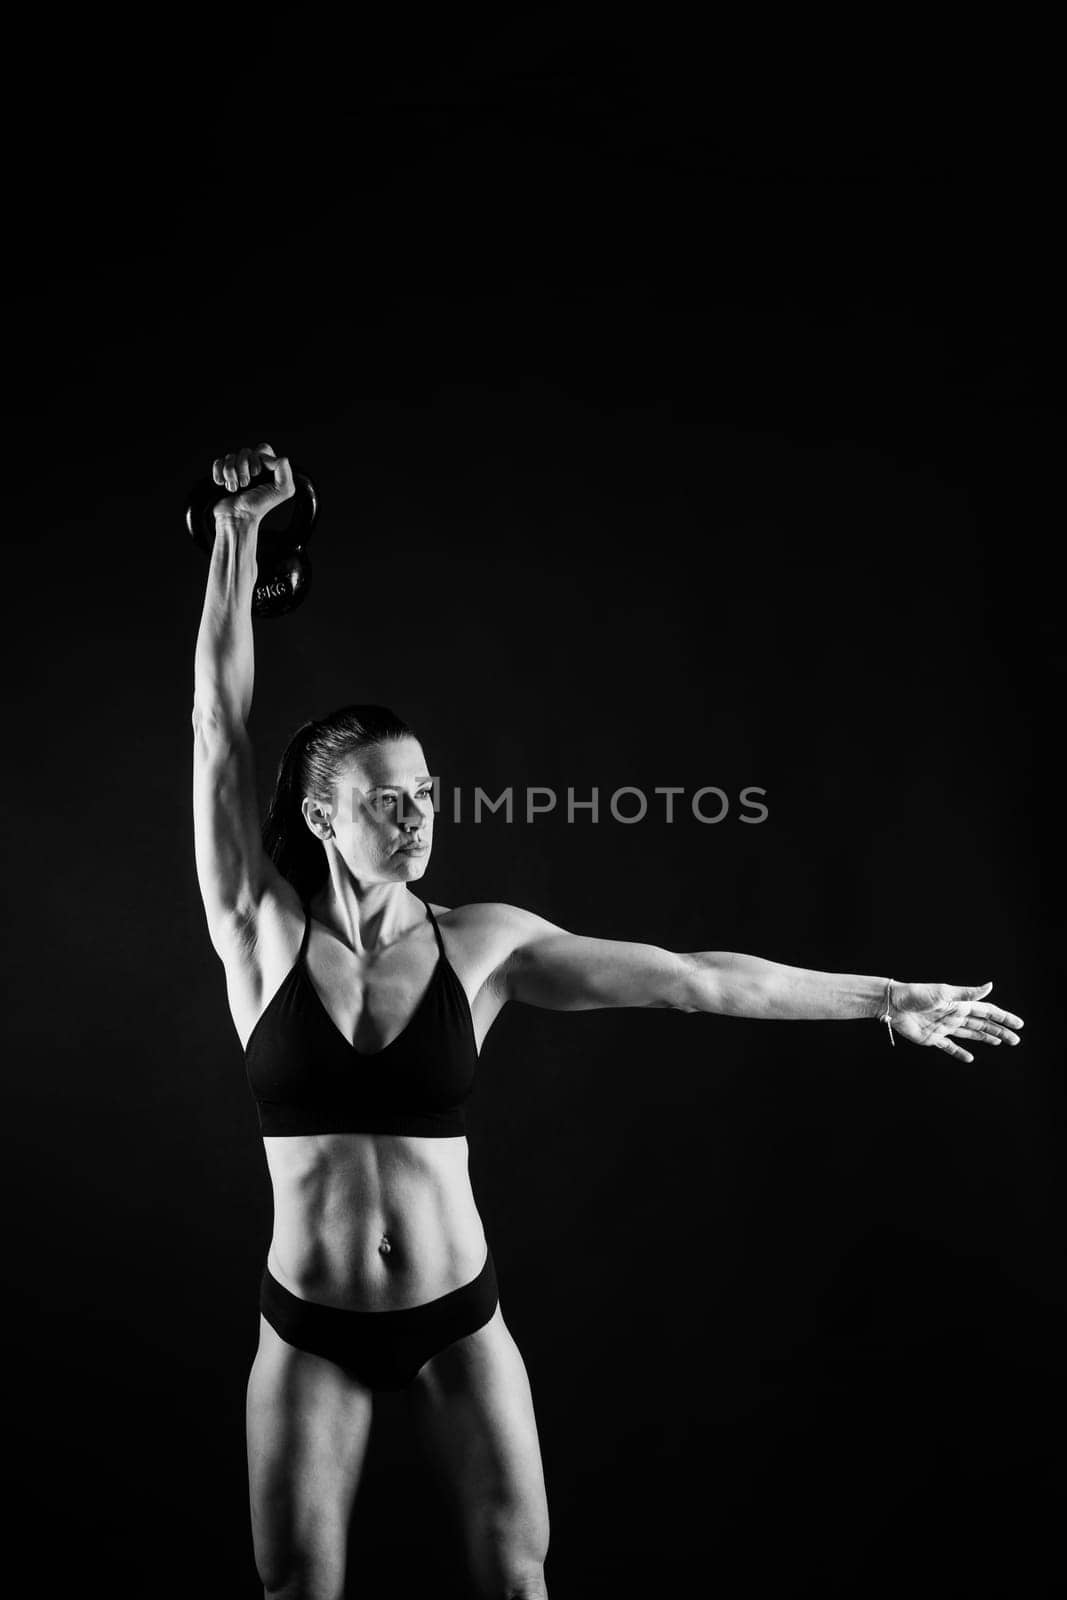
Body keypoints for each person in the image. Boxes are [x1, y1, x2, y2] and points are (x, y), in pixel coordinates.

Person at [191, 443, 1025, 1600]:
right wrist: (237, 536)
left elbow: (692, 976)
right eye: (388, 800)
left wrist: (882, 1000)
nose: (418, 817)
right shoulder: (257, 932)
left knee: (517, 1580)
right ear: (324, 816)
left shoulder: (480, 944)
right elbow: (217, 733)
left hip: (455, 1317)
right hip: (306, 1330)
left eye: (428, 795)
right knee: (296, 1591)